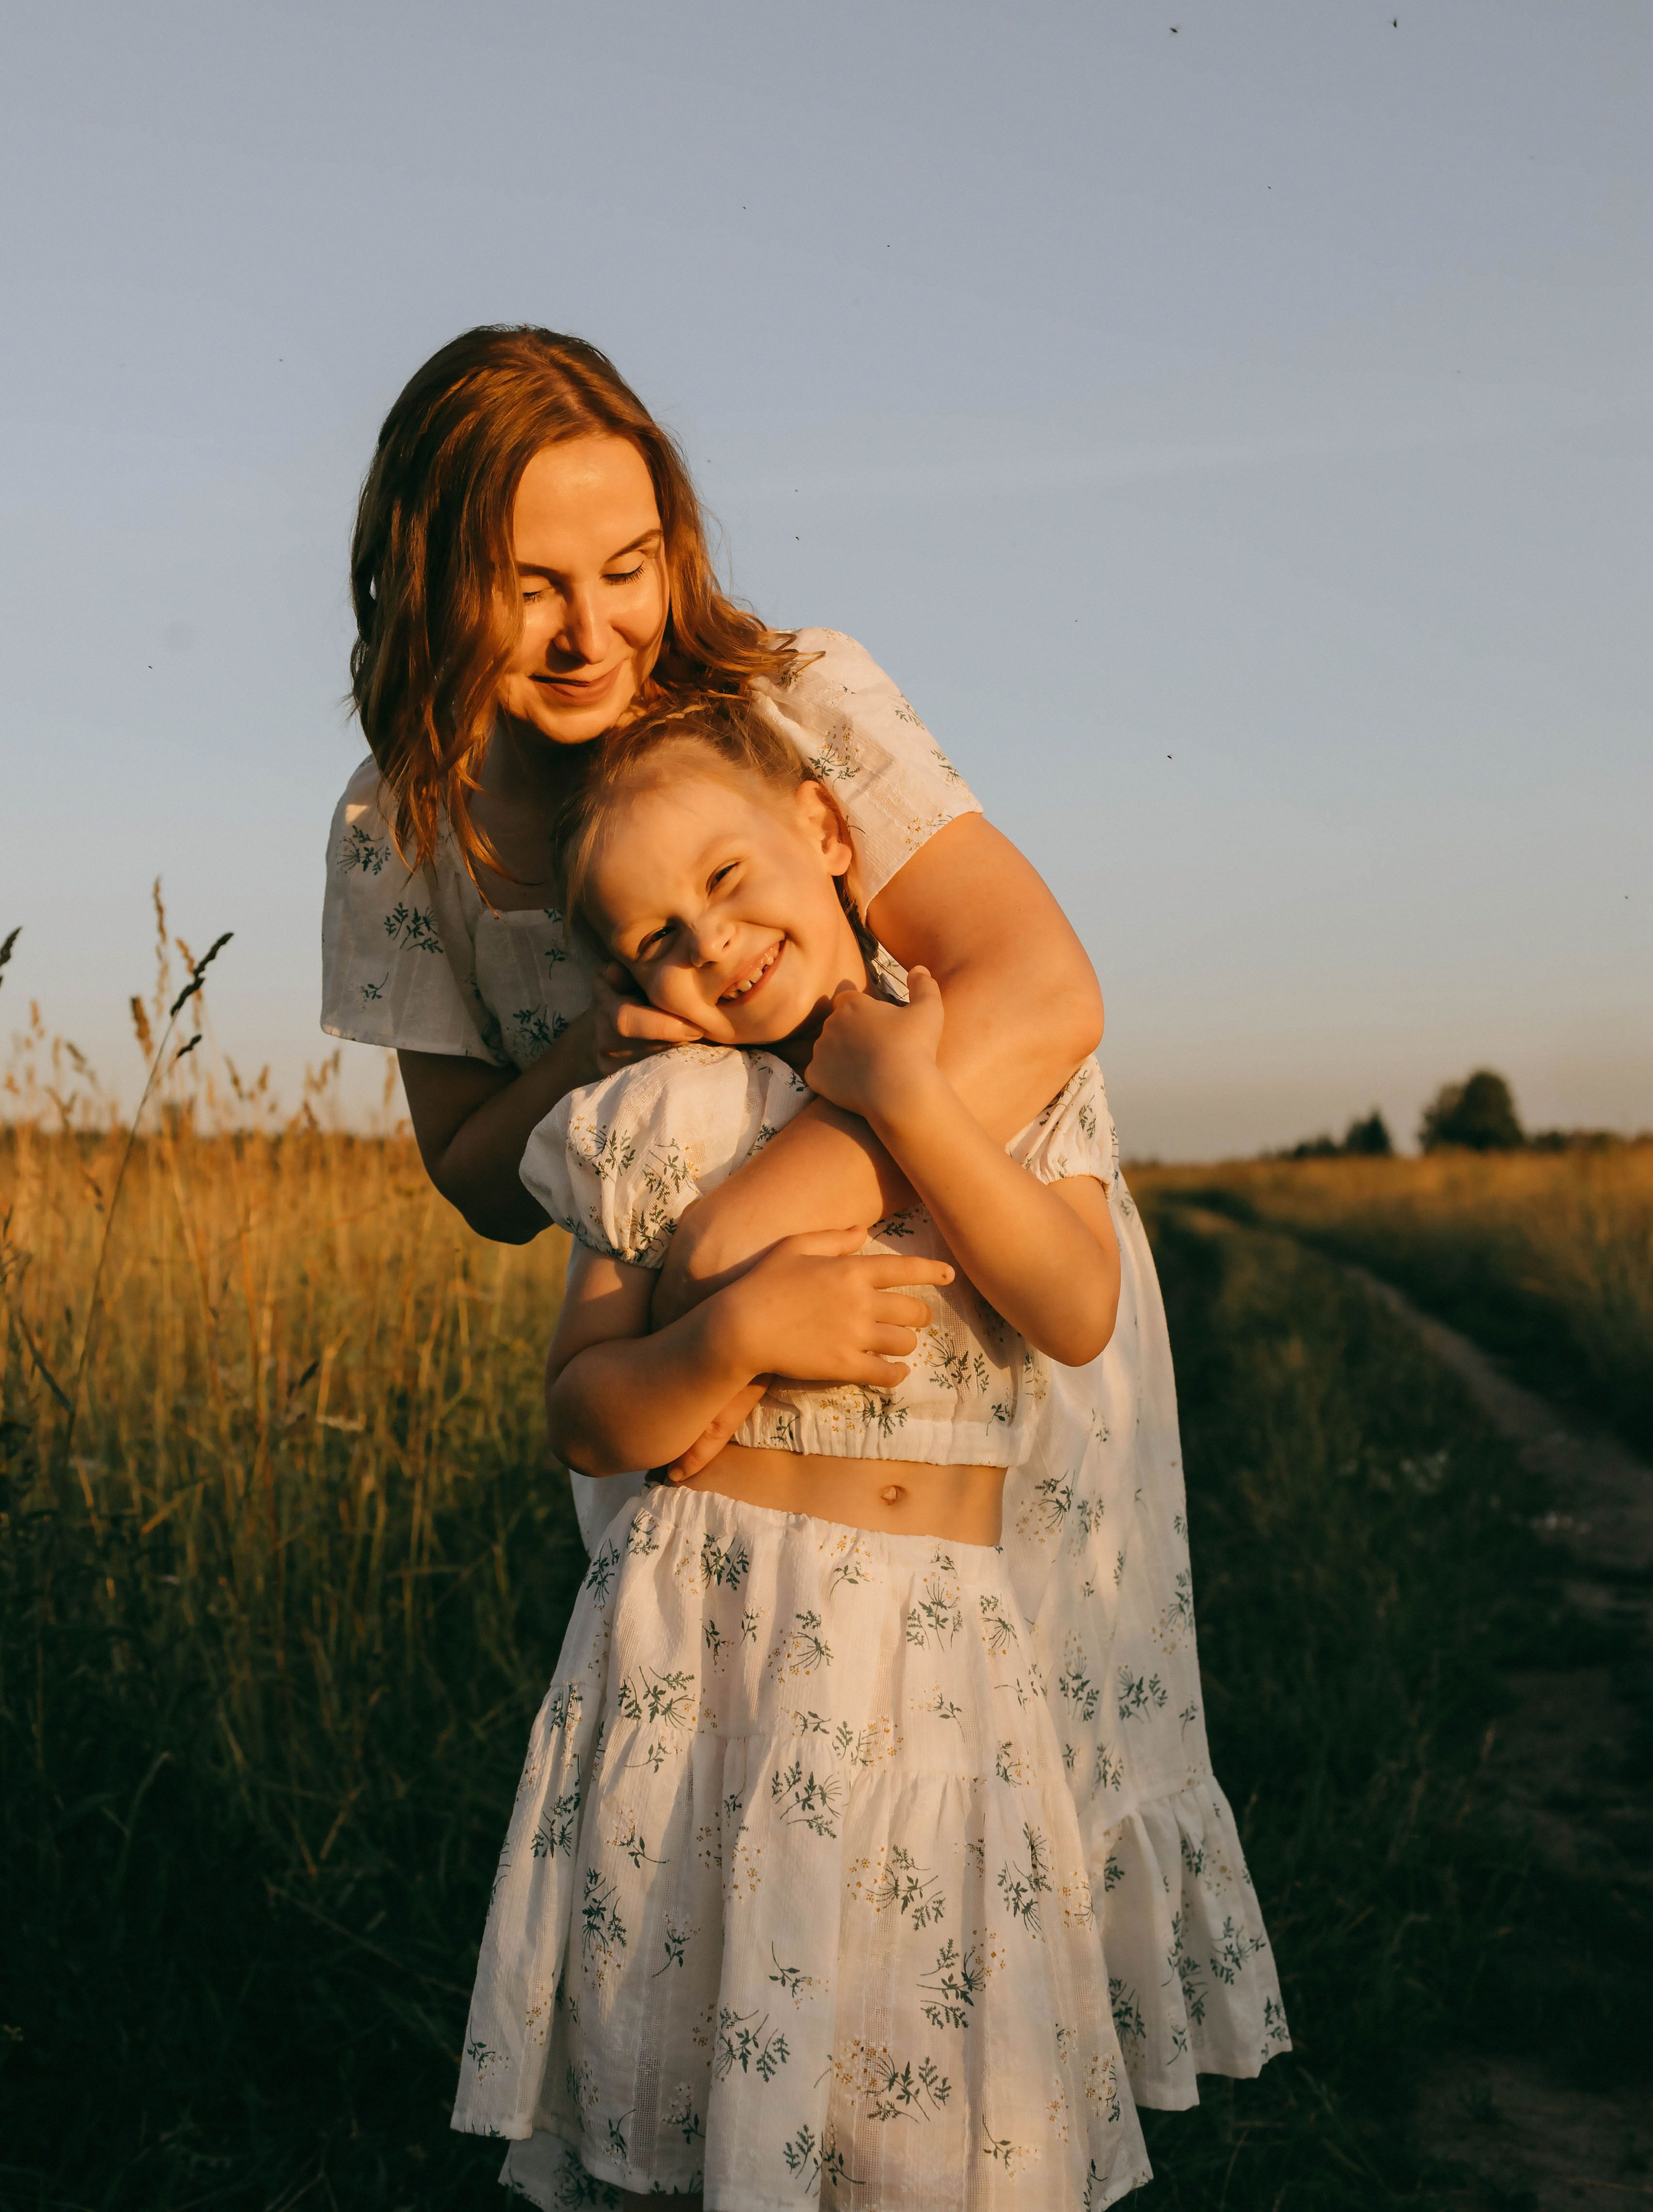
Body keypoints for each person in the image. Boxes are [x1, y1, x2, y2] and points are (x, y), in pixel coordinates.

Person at [322, 327, 1287, 2137]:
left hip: (956, 1274)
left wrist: (729, 1243)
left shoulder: (792, 696)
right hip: (710, 1399)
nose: (593, 629)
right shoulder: (401, 825)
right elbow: (473, 1169)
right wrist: (606, 1072)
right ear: (431, 577)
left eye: (628, 566)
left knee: (992, 1808)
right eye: (529, 587)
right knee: (754, 1828)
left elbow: (1037, 990)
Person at [453, 697, 1151, 2209]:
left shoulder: (994, 1056)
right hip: (705, 1646)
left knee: (916, 2071)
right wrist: (726, 1338)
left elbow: (1074, 1305)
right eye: (657, 939)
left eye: (725, 878)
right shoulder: (654, 1117)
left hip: (928, 1657)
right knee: (701, 2039)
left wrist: (908, 1101)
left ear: (826, 832)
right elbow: (585, 1411)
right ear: (628, 981)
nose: (711, 941)